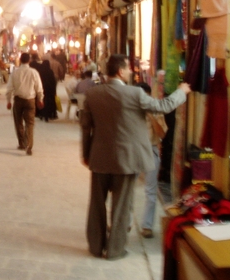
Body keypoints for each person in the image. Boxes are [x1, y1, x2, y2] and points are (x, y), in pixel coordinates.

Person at [80, 54, 190, 260]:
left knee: (96, 204)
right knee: (122, 205)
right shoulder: (135, 94)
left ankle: (95, 246)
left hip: (99, 157)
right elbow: (163, 107)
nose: (130, 72)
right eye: (128, 69)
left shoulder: (93, 94)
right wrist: (181, 92)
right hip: (127, 159)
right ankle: (115, 249)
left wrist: (86, 154)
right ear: (120, 71)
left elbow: (85, 127)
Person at [135, 82, 168, 239]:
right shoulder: (131, 109)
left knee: (150, 190)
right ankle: (125, 222)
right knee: (126, 188)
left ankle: (147, 226)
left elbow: (162, 134)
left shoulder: (156, 109)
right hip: (134, 151)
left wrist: (151, 116)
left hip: (151, 150)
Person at [6, 52, 44, 156]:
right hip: (30, 100)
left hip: (18, 100)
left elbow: (9, 89)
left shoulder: (15, 73)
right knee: (30, 123)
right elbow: (39, 88)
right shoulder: (34, 72)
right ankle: (29, 145)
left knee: (18, 122)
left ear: (20, 60)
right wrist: (40, 99)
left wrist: (9, 101)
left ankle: (22, 143)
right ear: (29, 61)